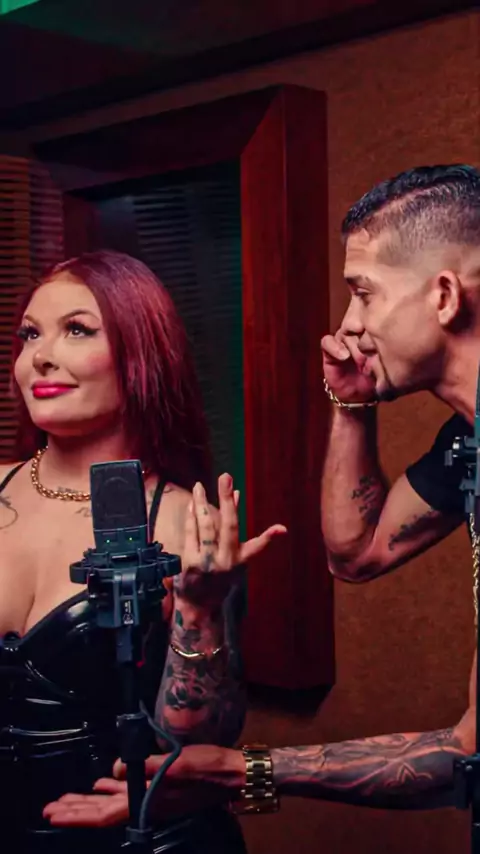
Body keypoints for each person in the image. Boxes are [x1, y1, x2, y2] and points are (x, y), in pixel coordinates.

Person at [45, 164, 480, 824]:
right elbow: (357, 552)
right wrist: (351, 403)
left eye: (363, 293)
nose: (348, 324)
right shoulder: (466, 439)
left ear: (444, 296)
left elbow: (470, 752)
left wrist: (237, 771)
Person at [0, 248, 286, 853]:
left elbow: (200, 748)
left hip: (144, 841)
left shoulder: (184, 520)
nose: (39, 356)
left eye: (77, 330)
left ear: (140, 356)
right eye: (30, 334)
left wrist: (200, 606)